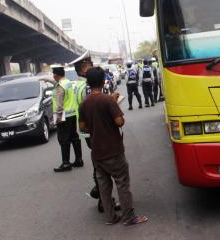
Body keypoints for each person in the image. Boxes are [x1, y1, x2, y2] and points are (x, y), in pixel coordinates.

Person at [78, 67, 148, 226]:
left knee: (104, 186)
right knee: (122, 183)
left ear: (88, 82)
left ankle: (110, 218)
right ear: (103, 81)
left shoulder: (84, 103)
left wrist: (96, 126)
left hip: (97, 152)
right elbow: (119, 122)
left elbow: (82, 127)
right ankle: (129, 218)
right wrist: (114, 106)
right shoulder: (108, 100)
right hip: (113, 150)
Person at [69, 51, 120, 213]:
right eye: (89, 65)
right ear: (83, 69)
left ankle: (101, 196)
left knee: (98, 164)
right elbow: (96, 107)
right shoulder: (87, 87)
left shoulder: (77, 84)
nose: (92, 68)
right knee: (103, 167)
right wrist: (112, 100)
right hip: (95, 130)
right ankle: (103, 200)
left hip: (87, 131)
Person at [52, 65, 83, 172]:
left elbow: (59, 104)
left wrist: (58, 118)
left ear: (55, 75)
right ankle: (79, 160)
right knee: (74, 136)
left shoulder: (60, 86)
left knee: (63, 139)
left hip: (63, 115)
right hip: (72, 114)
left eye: (53, 75)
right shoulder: (68, 82)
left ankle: (66, 163)